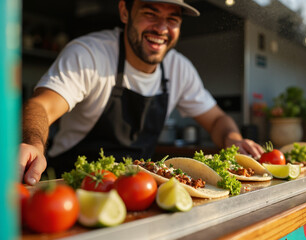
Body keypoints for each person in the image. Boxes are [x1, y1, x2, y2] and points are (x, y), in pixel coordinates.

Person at [19, 0, 264, 185]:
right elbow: (41, 106)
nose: (161, 28)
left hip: (138, 187)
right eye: (150, 13)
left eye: (173, 19)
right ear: (125, 11)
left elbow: (217, 120)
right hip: (74, 183)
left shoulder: (178, 69)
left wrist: (232, 139)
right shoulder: (89, 53)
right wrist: (33, 144)